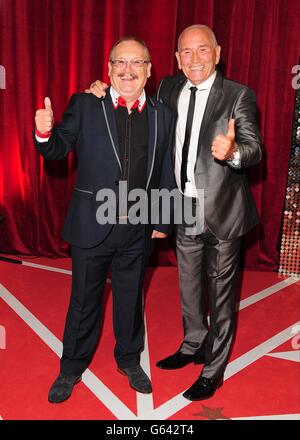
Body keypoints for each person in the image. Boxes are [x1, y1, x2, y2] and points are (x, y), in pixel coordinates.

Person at [86, 24, 262, 401]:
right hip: (180, 206)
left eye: (202, 50)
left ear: (217, 52)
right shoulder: (167, 88)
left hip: (222, 211)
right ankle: (194, 343)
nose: (194, 58)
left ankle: (213, 370)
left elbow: (254, 149)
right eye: (186, 52)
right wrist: (98, 90)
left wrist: (231, 153)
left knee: (221, 294)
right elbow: (128, 95)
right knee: (188, 286)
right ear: (176, 58)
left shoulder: (238, 95)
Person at [34, 36, 175, 403]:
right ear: (109, 69)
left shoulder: (163, 113)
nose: (127, 70)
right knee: (83, 302)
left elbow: (165, 168)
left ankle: (129, 360)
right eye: (120, 63)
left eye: (136, 63)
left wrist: (165, 218)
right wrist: (43, 130)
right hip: (90, 225)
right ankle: (70, 367)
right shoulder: (85, 103)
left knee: (131, 300)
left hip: (137, 226)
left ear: (148, 70)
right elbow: (56, 150)